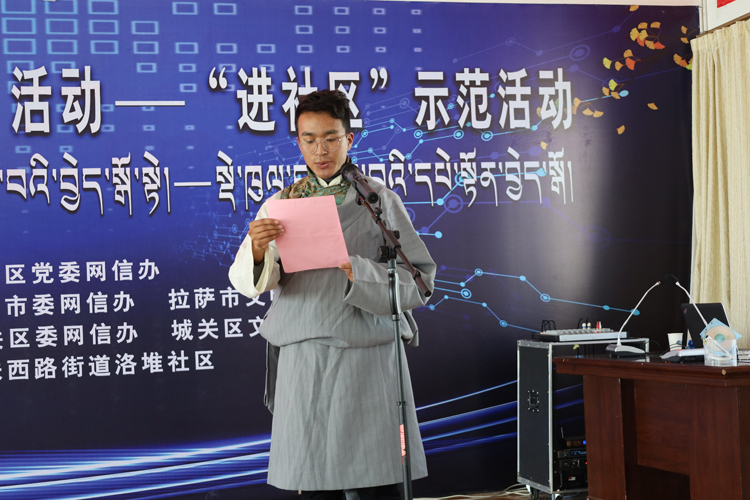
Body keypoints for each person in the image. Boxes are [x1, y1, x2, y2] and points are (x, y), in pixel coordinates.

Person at [228, 89, 436, 500]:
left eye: (330, 138)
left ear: (349, 138)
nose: (320, 150)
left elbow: (420, 281)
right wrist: (257, 249)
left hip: (369, 354)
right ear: (298, 142)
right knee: (314, 477)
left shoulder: (379, 201)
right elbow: (251, 280)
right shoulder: (281, 205)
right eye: (309, 139)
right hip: (304, 352)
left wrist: (360, 271)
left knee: (379, 476)